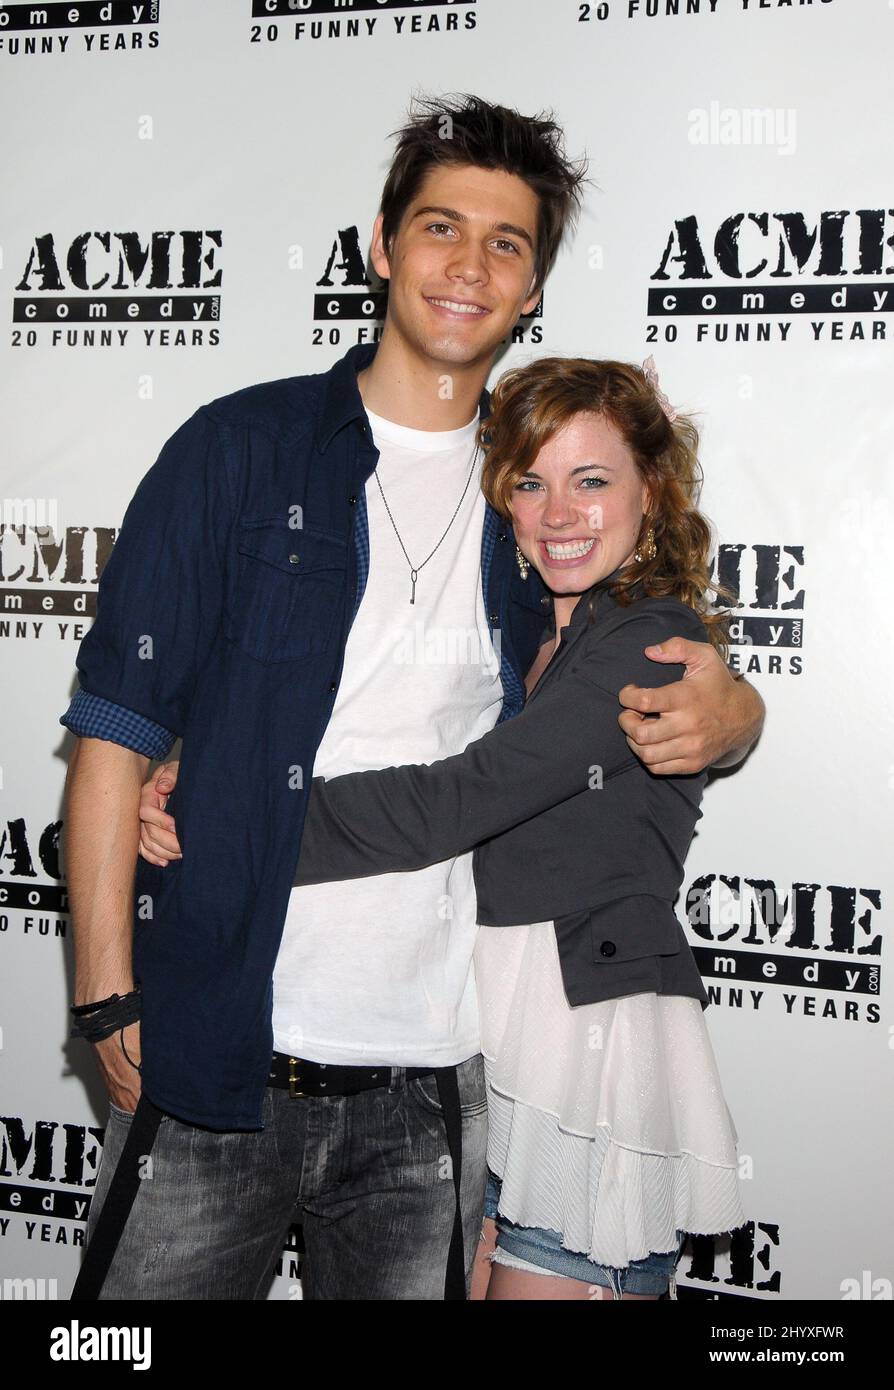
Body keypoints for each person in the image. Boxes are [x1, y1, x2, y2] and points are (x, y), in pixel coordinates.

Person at [62, 94, 763, 1302]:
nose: (469, 265)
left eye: (507, 242)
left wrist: (739, 710)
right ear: (382, 246)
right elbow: (115, 733)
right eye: (441, 228)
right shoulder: (238, 448)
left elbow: (632, 664)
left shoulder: (531, 495)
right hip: (218, 1041)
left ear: (533, 283)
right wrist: (106, 985)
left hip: (436, 1082)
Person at [141, 356, 747, 1300]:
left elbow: (452, 802)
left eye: (593, 481)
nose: (558, 513)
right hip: (488, 1053)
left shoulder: (646, 641)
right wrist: (212, 765)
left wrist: (234, 818)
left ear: (653, 491)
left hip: (584, 1056)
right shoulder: (535, 631)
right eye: (532, 484)